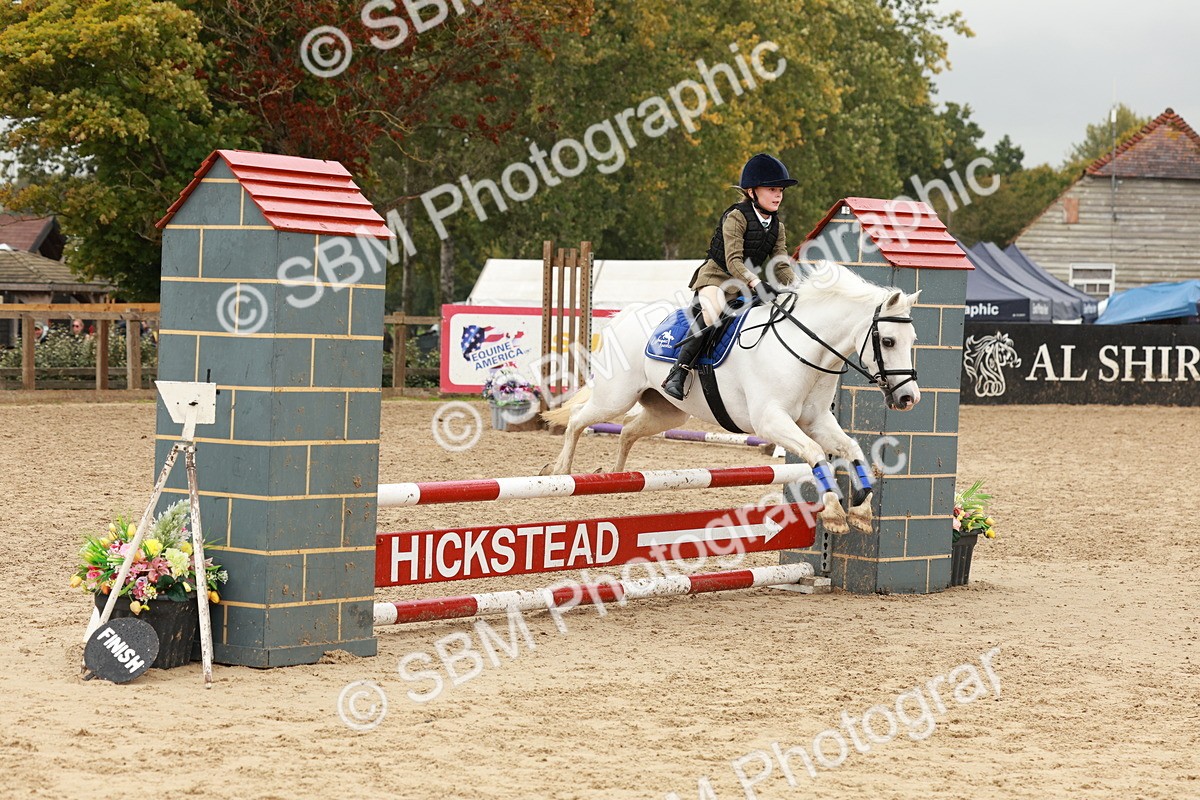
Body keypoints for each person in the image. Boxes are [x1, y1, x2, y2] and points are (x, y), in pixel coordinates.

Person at [661, 153, 800, 400]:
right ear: (752, 192)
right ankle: (678, 373)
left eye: (780, 190)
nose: (778, 195)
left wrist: (799, 288)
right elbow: (733, 261)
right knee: (713, 312)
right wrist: (757, 283)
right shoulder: (736, 216)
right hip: (716, 277)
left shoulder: (777, 226)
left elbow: (780, 264)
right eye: (771, 189)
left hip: (743, 285)